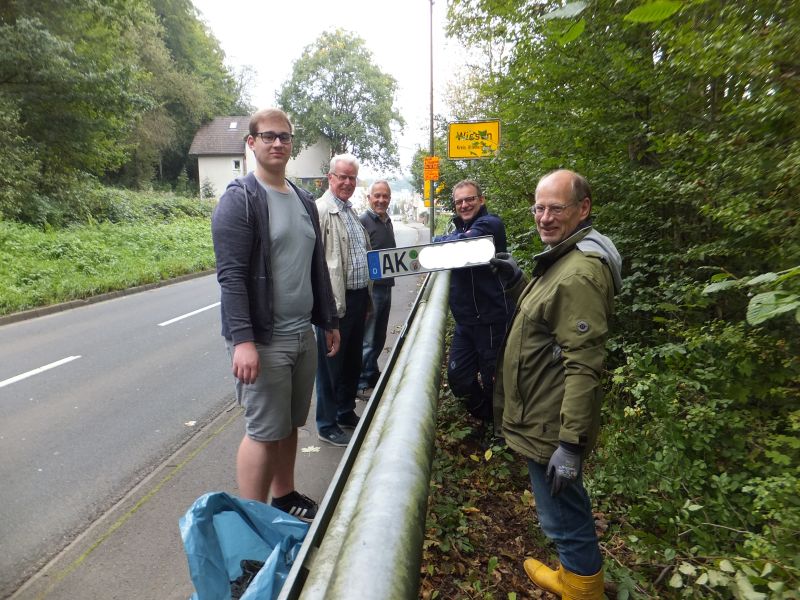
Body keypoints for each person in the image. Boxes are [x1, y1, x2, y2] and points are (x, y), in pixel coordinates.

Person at [490, 169, 622, 599]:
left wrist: (570, 443)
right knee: (563, 510)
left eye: (556, 208)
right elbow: (550, 322)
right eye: (539, 208)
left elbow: (585, 363)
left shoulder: (579, 272)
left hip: (551, 422)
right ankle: (573, 577)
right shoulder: (565, 258)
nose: (544, 218)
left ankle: (583, 591)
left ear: (583, 209)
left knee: (562, 517)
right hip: (542, 414)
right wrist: (517, 285)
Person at [211, 108, 340, 522]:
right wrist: (243, 341)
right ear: (251, 143)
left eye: (284, 137)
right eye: (268, 136)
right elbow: (231, 277)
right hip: (263, 341)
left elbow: (314, 265)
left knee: (288, 426)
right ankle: (253, 525)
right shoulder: (241, 199)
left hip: (302, 333)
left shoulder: (303, 199)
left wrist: (328, 319)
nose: (278, 143)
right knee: (263, 433)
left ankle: (283, 496)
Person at [434, 180, 514, 424]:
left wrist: (440, 241)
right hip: (465, 321)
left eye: (469, 199)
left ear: (482, 200)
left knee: (493, 379)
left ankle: (501, 432)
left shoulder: (491, 224)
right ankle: (489, 418)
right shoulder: (460, 227)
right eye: (459, 201)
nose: (464, 205)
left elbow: (463, 244)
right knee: (458, 377)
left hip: (491, 318)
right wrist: (447, 239)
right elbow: (455, 241)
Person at [314, 154, 372, 446]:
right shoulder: (322, 211)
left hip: (358, 298)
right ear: (330, 178)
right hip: (335, 304)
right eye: (343, 177)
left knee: (351, 362)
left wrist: (367, 302)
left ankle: (345, 411)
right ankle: (326, 423)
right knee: (330, 366)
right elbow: (317, 265)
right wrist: (325, 312)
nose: (348, 182)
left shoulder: (350, 211)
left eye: (352, 177)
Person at [357, 180, 396, 400]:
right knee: (369, 338)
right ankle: (361, 382)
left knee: (380, 336)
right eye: (377, 196)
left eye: (385, 196)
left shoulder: (387, 220)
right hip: (372, 291)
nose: (381, 200)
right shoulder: (363, 221)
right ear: (369, 198)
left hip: (387, 285)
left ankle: (371, 374)